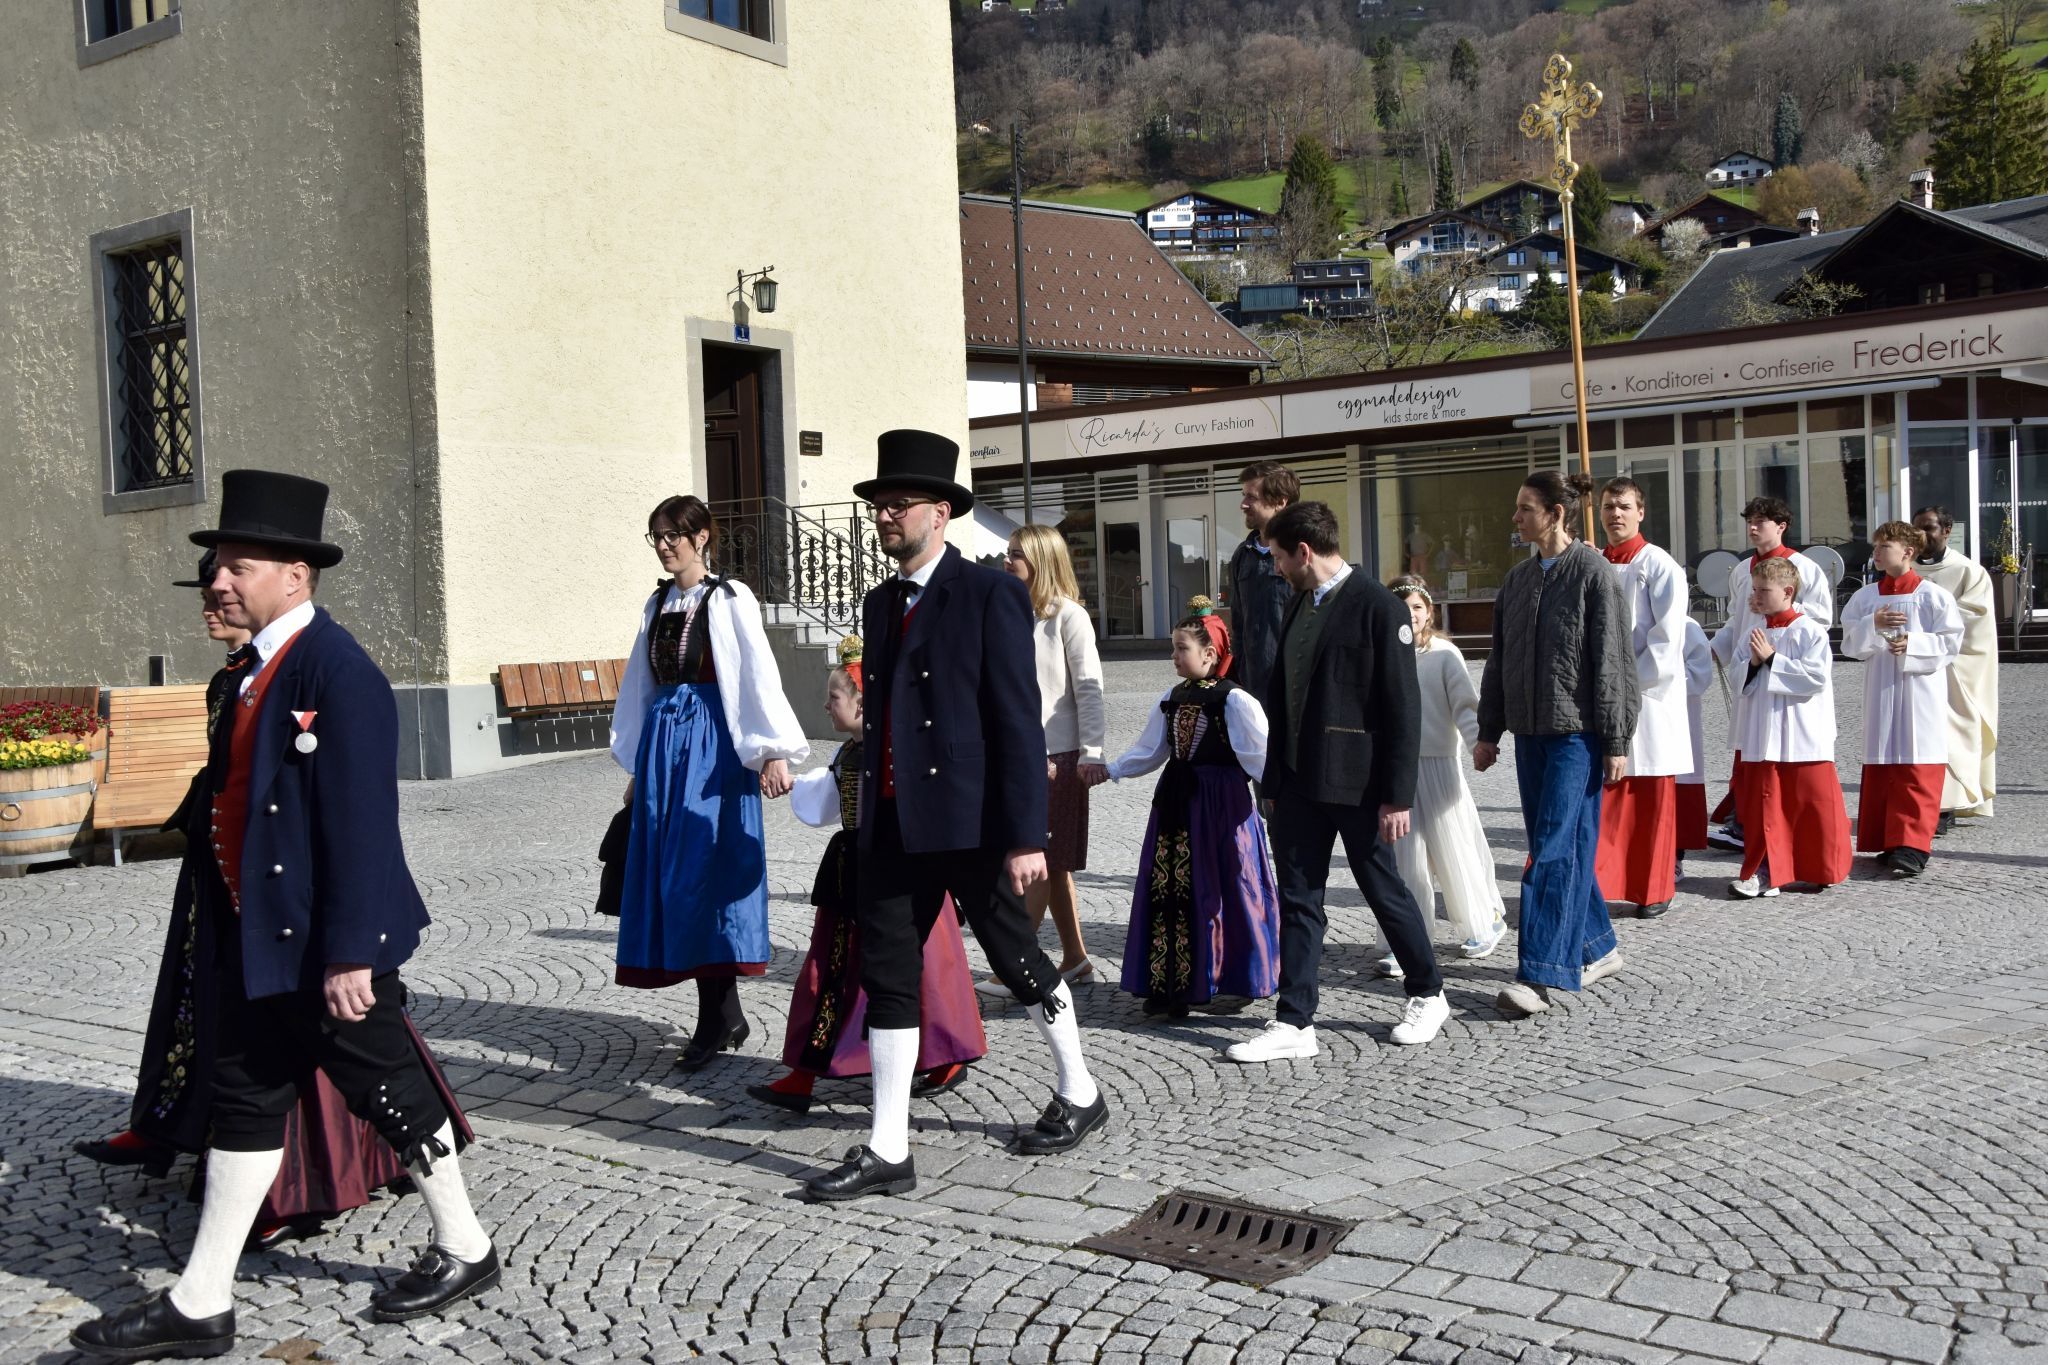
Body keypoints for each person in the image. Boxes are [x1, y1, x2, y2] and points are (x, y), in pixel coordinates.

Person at [73, 471, 497, 1359]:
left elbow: (362, 824)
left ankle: (466, 1245)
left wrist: (352, 952)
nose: (219, 580)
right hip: (259, 938)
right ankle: (201, 1300)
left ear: (295, 574)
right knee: (245, 1100)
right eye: (218, 565)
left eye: (239, 565)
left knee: (390, 1088)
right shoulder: (253, 670)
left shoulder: (337, 671)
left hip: (323, 947)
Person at [802, 431, 1107, 1204]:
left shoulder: (989, 593)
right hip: (894, 822)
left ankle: (1079, 1087)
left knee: (1015, 956)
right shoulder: (880, 601)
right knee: (888, 971)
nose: (884, 515)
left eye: (897, 504)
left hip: (970, 821)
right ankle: (889, 1146)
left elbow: (1017, 720)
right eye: (878, 505)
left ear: (940, 513)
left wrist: (1026, 834)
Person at [1230, 500, 1450, 1062]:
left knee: (1382, 889)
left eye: (1280, 557)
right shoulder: (1298, 601)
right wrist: (1273, 779)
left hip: (1359, 783)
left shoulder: (1379, 606)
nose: (1277, 568)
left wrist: (1397, 796)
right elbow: (1282, 695)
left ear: (1304, 551)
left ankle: (1428, 993)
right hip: (1297, 781)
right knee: (1299, 900)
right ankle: (1294, 1021)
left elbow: (1403, 708)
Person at [609, 495, 808, 1071]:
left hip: (713, 746)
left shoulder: (727, 597)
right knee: (674, 878)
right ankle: (723, 1013)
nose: (664, 545)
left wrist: (773, 751)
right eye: (656, 535)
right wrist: (638, 768)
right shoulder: (657, 602)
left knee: (706, 873)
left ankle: (716, 1016)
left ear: (701, 537)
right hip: (665, 749)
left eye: (673, 534)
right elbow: (641, 684)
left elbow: (755, 672)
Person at [750, 638, 986, 1114]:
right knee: (830, 965)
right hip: (853, 868)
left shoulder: (901, 750)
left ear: (860, 703)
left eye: (833, 697)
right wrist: (792, 782)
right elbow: (831, 795)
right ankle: (805, 1071)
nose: (826, 705)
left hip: (907, 870)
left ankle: (946, 1055)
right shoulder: (849, 753)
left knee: (926, 965)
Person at [1476, 471, 1638, 1019]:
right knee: (1562, 845)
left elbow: (1613, 661)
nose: (1516, 518)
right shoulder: (1517, 580)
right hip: (1530, 735)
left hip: (1577, 736)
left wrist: (1616, 739)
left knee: (1551, 851)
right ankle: (1597, 946)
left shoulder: (1593, 573)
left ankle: (1540, 974)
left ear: (1556, 513)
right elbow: (1499, 659)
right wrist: (1489, 731)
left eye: (1526, 508)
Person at [1104, 602, 1280, 1018]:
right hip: (1177, 804)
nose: (1174, 656)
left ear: (1210, 654)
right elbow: (1151, 750)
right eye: (1173, 648)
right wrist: (1110, 770)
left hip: (1222, 807)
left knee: (1230, 886)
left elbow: (1260, 757)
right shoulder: (1172, 697)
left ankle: (1235, 977)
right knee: (1172, 890)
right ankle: (1174, 983)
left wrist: (1283, 794)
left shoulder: (1235, 700)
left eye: (1181, 648)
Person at [977, 525, 1109, 997]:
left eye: (1016, 554)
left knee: (1040, 862)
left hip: (1059, 757)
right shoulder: (1009, 613)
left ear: (1041, 560)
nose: (1007, 561)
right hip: (1018, 754)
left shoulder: (1069, 616)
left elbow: (1089, 689)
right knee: (1054, 864)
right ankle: (1075, 959)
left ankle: (1016, 966)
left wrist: (1092, 752)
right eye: (1007, 552)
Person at [1384, 577, 1506, 961]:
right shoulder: (1382, 653)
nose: (1410, 614)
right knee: (1405, 860)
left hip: (1439, 766)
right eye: (1401, 607)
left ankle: (1481, 923)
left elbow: (1464, 705)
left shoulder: (1444, 654)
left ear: (1429, 612)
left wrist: (1477, 743)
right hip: (1399, 769)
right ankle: (1407, 939)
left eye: (1417, 607)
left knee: (1455, 850)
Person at [1706, 497, 1834, 851]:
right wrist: (1715, 649)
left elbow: (1821, 618)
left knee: (1777, 752)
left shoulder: (1804, 567)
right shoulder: (1741, 570)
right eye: (1749, 520)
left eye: (1760, 521)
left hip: (1784, 668)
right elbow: (1735, 620)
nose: (1752, 527)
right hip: (1750, 667)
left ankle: (1762, 827)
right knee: (1747, 746)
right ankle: (1743, 824)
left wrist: (1776, 606)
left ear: (1781, 526)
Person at [1841, 523, 1964, 878]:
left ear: (1908, 552)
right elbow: (1850, 643)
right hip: (1881, 686)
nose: (1876, 553)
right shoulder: (1866, 598)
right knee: (1884, 762)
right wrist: (1872, 624)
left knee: (1916, 762)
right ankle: (1888, 839)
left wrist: (1914, 643)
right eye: (1875, 547)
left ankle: (1913, 845)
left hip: (1920, 689)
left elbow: (1951, 641)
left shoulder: (1933, 596)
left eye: (1884, 546)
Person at [1592, 478, 1691, 918]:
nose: (1615, 514)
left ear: (1641, 512)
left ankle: (1654, 888)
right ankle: (1599, 884)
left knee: (1649, 801)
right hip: (1599, 697)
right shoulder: (1593, 563)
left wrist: (1623, 683)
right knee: (1606, 799)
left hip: (1647, 700)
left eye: (1624, 506)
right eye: (1608, 506)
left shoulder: (1660, 565)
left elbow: (1666, 641)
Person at [1726, 556, 1852, 898]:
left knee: (1812, 806)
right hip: (1762, 732)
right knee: (1765, 809)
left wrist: (1772, 659)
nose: (1756, 597)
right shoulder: (1754, 633)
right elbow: (1737, 677)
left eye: (1764, 591)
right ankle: (1764, 872)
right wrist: (1753, 663)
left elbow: (1814, 678)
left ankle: (1820, 867)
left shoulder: (1810, 631)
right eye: (1754, 590)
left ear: (1788, 591)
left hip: (1802, 733)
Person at [1912, 505, 1998, 825]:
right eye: (1917, 528)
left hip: (1955, 669)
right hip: (1913, 668)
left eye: (1929, 528)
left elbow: (1976, 620)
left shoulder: (1968, 572)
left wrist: (1925, 631)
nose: (1921, 535)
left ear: (1947, 531)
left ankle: (1948, 804)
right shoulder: (1903, 570)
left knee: (1953, 734)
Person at [1224, 461, 1301, 700]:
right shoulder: (1243, 555)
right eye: (1244, 495)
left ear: (1281, 501)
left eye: (1252, 497)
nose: (1243, 504)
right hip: (1253, 686)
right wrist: (1242, 668)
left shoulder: (1302, 552)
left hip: (1293, 685)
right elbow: (1238, 621)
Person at [1675, 617, 1715, 875]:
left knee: (1678, 789)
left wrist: (1659, 675)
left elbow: (1700, 675)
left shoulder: (1687, 626)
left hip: (1678, 719)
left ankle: (1675, 856)